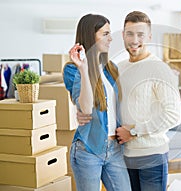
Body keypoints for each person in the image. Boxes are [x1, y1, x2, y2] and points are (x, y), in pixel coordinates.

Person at [77, 11, 181, 191]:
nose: (134, 40)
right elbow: (109, 104)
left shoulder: (159, 69)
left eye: (140, 34)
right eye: (130, 34)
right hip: (123, 156)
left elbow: (174, 116)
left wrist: (134, 131)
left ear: (149, 36)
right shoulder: (118, 69)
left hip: (151, 156)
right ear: (123, 36)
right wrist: (82, 114)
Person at [63, 14, 131, 191]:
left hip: (114, 149)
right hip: (88, 151)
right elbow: (85, 109)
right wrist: (84, 69)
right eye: (105, 33)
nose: (111, 38)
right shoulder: (73, 70)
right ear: (90, 35)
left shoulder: (111, 68)